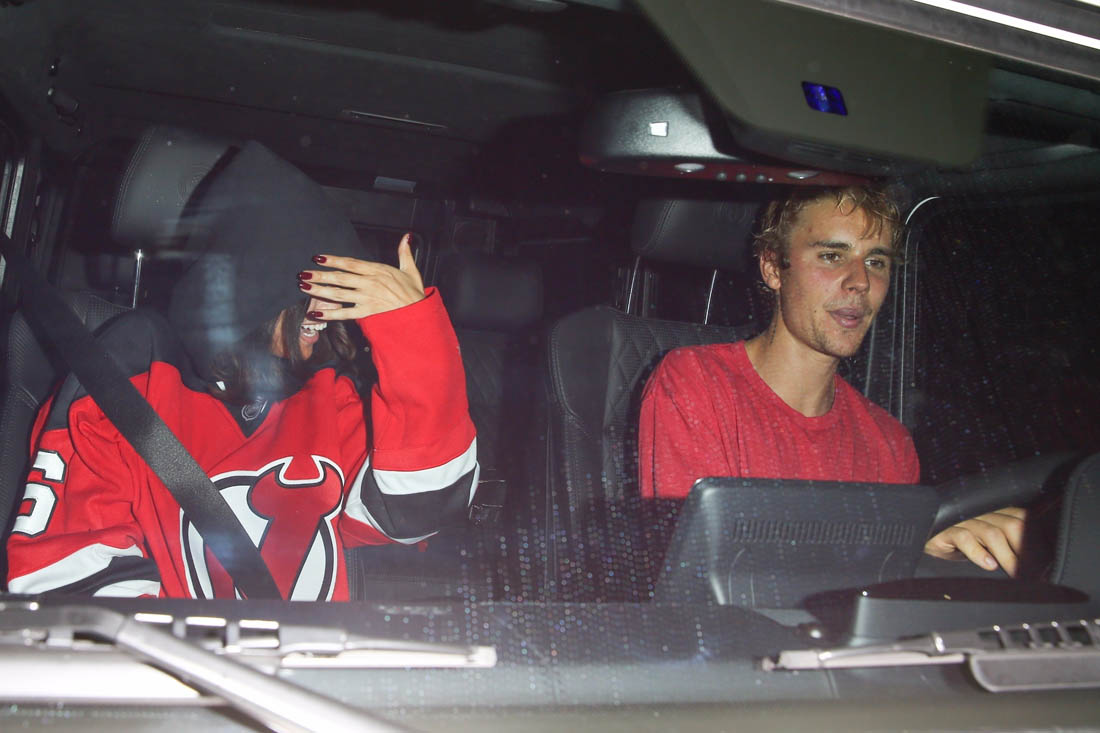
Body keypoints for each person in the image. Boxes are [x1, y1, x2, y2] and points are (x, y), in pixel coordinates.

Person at [6, 142, 478, 600]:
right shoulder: (132, 371)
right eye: (315, 286)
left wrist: (414, 334)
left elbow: (415, 513)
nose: (329, 310)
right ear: (262, 282)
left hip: (316, 652)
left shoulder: (328, 393)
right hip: (168, 652)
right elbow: (67, 572)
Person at [638, 185, 1026, 576]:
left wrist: (925, 559)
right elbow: (703, 576)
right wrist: (906, 554)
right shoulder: (695, 383)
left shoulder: (889, 442)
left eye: (876, 261)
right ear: (773, 268)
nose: (860, 281)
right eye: (832, 256)